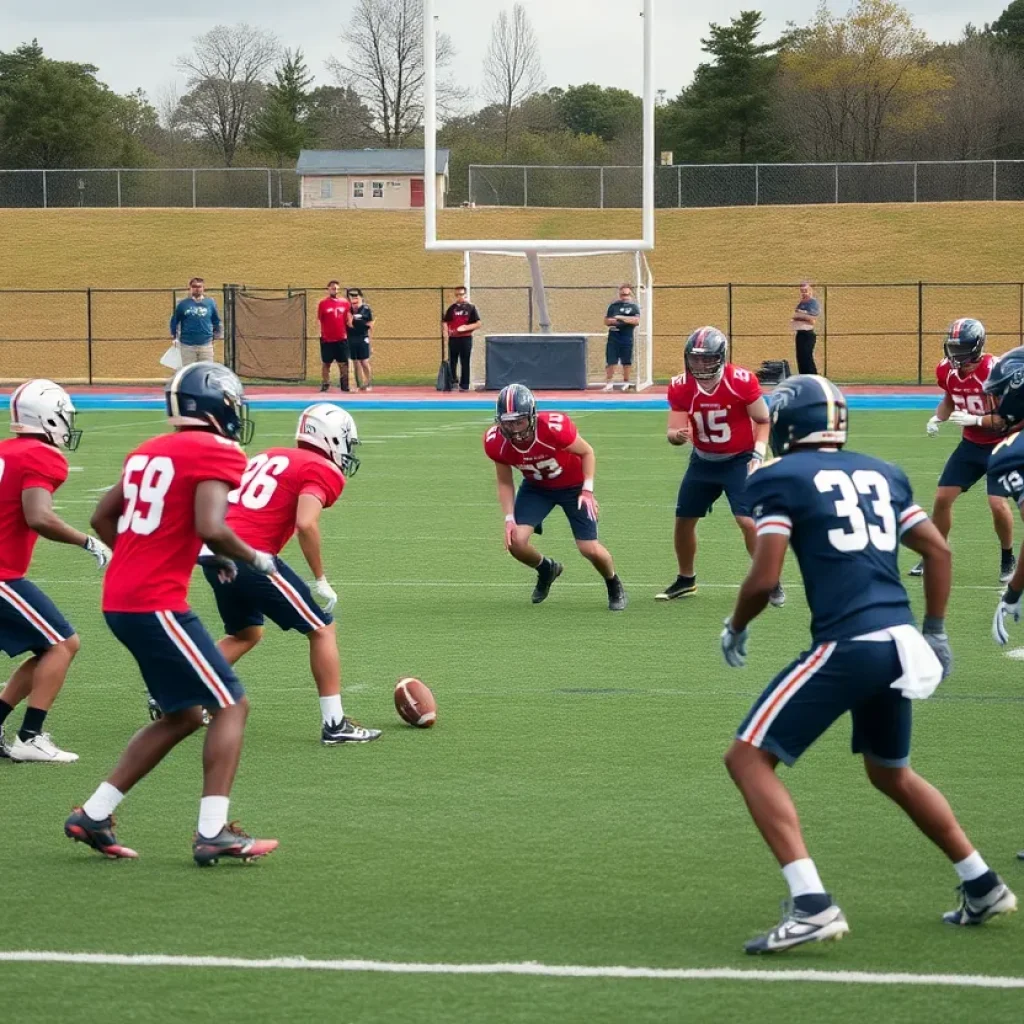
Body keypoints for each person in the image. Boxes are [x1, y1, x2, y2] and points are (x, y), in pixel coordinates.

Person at [720, 373, 1016, 954]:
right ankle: (981, 883)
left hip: (849, 643)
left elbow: (765, 575)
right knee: (890, 772)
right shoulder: (883, 472)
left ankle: (812, 905)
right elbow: (937, 548)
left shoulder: (779, 477)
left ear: (786, 423)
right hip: (899, 639)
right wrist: (934, 629)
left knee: (748, 759)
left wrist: (736, 625)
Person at [65, 363, 278, 866]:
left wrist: (142, 557)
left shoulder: (147, 450)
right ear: (219, 404)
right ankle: (213, 832)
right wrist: (253, 557)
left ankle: (93, 815)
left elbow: (101, 516)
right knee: (231, 703)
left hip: (122, 599)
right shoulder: (218, 449)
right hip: (154, 602)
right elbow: (212, 524)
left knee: (184, 714)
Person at [200, 403, 380, 746]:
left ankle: (175, 690)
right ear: (332, 438)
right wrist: (321, 577)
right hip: (249, 555)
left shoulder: (269, 454)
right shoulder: (322, 468)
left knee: (246, 633)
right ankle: (335, 724)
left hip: (213, 552)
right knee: (322, 629)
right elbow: (305, 523)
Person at [0, 380, 111, 764]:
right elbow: (39, 516)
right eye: (62, 416)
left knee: (48, 647)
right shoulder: (40, 456)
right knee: (64, 643)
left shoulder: (6, 450)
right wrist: (87, 541)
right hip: (2, 574)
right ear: (46, 416)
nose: (66, 423)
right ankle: (30, 736)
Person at [656, 327, 780, 605]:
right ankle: (686, 579)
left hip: (740, 458)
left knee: (747, 521)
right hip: (702, 460)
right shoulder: (680, 385)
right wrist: (677, 436)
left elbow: (763, 420)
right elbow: (673, 430)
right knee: (683, 522)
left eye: (706, 358)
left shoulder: (741, 380)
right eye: (695, 358)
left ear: (720, 357)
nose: (700, 364)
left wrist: (758, 456)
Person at [484, 384, 627, 611]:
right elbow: (504, 481)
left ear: (531, 416)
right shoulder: (496, 441)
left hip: (573, 487)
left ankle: (613, 582)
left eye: (519, 421)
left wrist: (587, 490)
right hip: (536, 487)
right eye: (507, 422)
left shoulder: (553, 427)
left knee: (589, 548)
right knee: (516, 542)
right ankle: (546, 569)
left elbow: (587, 452)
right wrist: (509, 518)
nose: (514, 429)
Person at [912, 319, 1015, 581]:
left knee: (997, 503)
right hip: (971, 445)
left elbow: (1006, 418)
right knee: (942, 498)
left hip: (1001, 445)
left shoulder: (996, 370)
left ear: (977, 347)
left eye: (962, 348)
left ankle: (1007, 558)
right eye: (954, 348)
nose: (956, 355)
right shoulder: (946, 370)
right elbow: (951, 395)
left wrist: (976, 420)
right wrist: (938, 417)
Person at [169, 277, 223, 366]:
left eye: (199, 286)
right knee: (189, 372)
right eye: (194, 286)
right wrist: (174, 337)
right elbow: (174, 321)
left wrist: (216, 335)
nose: (197, 289)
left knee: (205, 371)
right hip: (187, 346)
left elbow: (216, 320)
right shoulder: (183, 304)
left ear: (203, 288)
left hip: (206, 345)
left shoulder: (210, 303)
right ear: (190, 288)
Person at [602, 283, 642, 392]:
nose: (624, 296)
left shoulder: (634, 307)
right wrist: (623, 320)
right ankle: (609, 383)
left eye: (627, 294)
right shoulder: (613, 306)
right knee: (611, 360)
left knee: (626, 361)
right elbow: (607, 321)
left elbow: (636, 321)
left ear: (630, 294)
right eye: (622, 294)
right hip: (614, 335)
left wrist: (620, 317)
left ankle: (626, 382)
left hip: (626, 336)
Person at [443, 286, 481, 392]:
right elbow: (445, 321)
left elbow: (478, 324)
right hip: (454, 338)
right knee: (452, 361)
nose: (459, 297)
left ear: (465, 294)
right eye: (457, 295)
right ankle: (453, 382)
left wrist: (466, 327)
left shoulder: (471, 308)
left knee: (465, 361)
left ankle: (464, 385)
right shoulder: (452, 308)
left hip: (466, 338)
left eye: (461, 294)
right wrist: (446, 332)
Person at [317, 281, 352, 393]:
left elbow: (348, 318)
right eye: (332, 288)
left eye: (336, 289)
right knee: (326, 363)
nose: (334, 290)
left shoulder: (345, 303)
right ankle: (325, 383)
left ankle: (345, 385)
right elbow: (319, 319)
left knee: (343, 363)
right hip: (327, 339)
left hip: (341, 338)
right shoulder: (323, 304)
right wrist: (320, 334)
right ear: (328, 289)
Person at [347, 289, 375, 392]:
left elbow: (370, 325)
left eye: (356, 301)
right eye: (352, 302)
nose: (354, 304)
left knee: (364, 361)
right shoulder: (348, 310)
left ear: (361, 299)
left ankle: (368, 382)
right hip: (351, 338)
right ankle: (358, 384)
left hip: (363, 338)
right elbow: (349, 324)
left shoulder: (366, 309)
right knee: (355, 362)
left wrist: (370, 343)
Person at [791, 282, 820, 375]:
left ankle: (813, 377)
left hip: (807, 334)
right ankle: (803, 376)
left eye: (805, 291)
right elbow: (795, 316)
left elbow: (812, 319)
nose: (804, 293)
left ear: (810, 291)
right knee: (800, 357)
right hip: (800, 333)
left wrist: (800, 315)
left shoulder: (813, 302)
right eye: (802, 291)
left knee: (807, 357)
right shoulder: (801, 303)